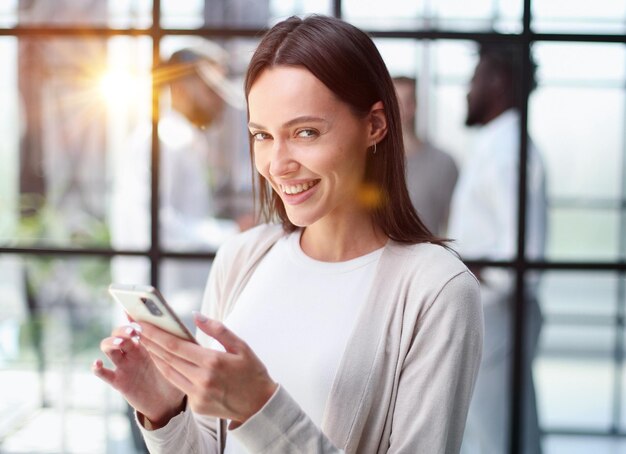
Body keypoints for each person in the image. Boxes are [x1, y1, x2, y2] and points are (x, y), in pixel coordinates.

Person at [94, 15, 484, 453]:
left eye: (305, 132)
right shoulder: (242, 256)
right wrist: (165, 409)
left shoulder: (436, 290)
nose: (277, 164)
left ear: (374, 125)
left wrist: (261, 408)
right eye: (262, 135)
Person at [110, 41, 253, 325]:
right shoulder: (162, 143)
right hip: (163, 313)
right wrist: (231, 232)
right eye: (211, 88)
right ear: (183, 85)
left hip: (176, 311)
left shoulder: (181, 143)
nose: (220, 99)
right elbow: (155, 228)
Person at [448, 44, 547, 454]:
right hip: (490, 317)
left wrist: (451, 264)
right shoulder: (496, 145)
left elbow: (523, 257)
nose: (467, 91)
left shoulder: (509, 153)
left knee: (496, 439)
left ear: (499, 83)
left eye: (475, 78)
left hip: (499, 318)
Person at [392, 76, 458, 235]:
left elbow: (455, 222)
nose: (402, 109)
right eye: (395, 101)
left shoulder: (443, 163)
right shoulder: (369, 163)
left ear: (415, 106)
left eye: (407, 101)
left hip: (430, 255)